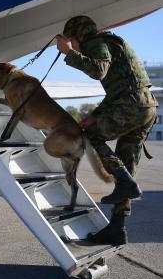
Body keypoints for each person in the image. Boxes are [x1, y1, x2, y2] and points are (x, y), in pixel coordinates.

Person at [56, 15, 158, 245]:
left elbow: (99, 70)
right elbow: (118, 90)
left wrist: (69, 53)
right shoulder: (110, 42)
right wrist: (95, 116)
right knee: (126, 159)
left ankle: (125, 182)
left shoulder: (95, 42)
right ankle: (117, 228)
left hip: (132, 105)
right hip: (146, 106)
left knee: (93, 136)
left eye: (72, 39)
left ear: (79, 35)